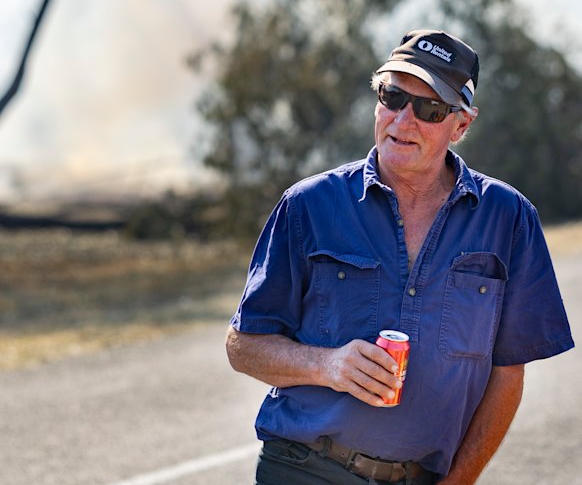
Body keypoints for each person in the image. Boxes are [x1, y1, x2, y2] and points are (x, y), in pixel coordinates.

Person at [226, 29, 574, 485]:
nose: (403, 120)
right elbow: (243, 346)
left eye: (429, 109)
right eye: (393, 96)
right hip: (303, 469)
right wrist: (327, 365)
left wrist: (458, 481)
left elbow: (508, 375)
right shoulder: (308, 205)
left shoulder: (509, 219)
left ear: (461, 125)